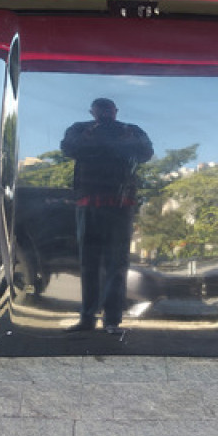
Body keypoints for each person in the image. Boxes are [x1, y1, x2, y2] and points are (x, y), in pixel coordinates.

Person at [60, 98, 153, 334]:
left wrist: (121, 140)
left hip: (121, 202)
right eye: (100, 110)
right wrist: (95, 138)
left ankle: (111, 320)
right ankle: (87, 318)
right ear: (92, 112)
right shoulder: (80, 128)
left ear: (115, 111)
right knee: (88, 262)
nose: (104, 114)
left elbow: (146, 152)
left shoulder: (130, 129)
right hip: (88, 201)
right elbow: (68, 148)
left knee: (117, 262)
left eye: (108, 109)